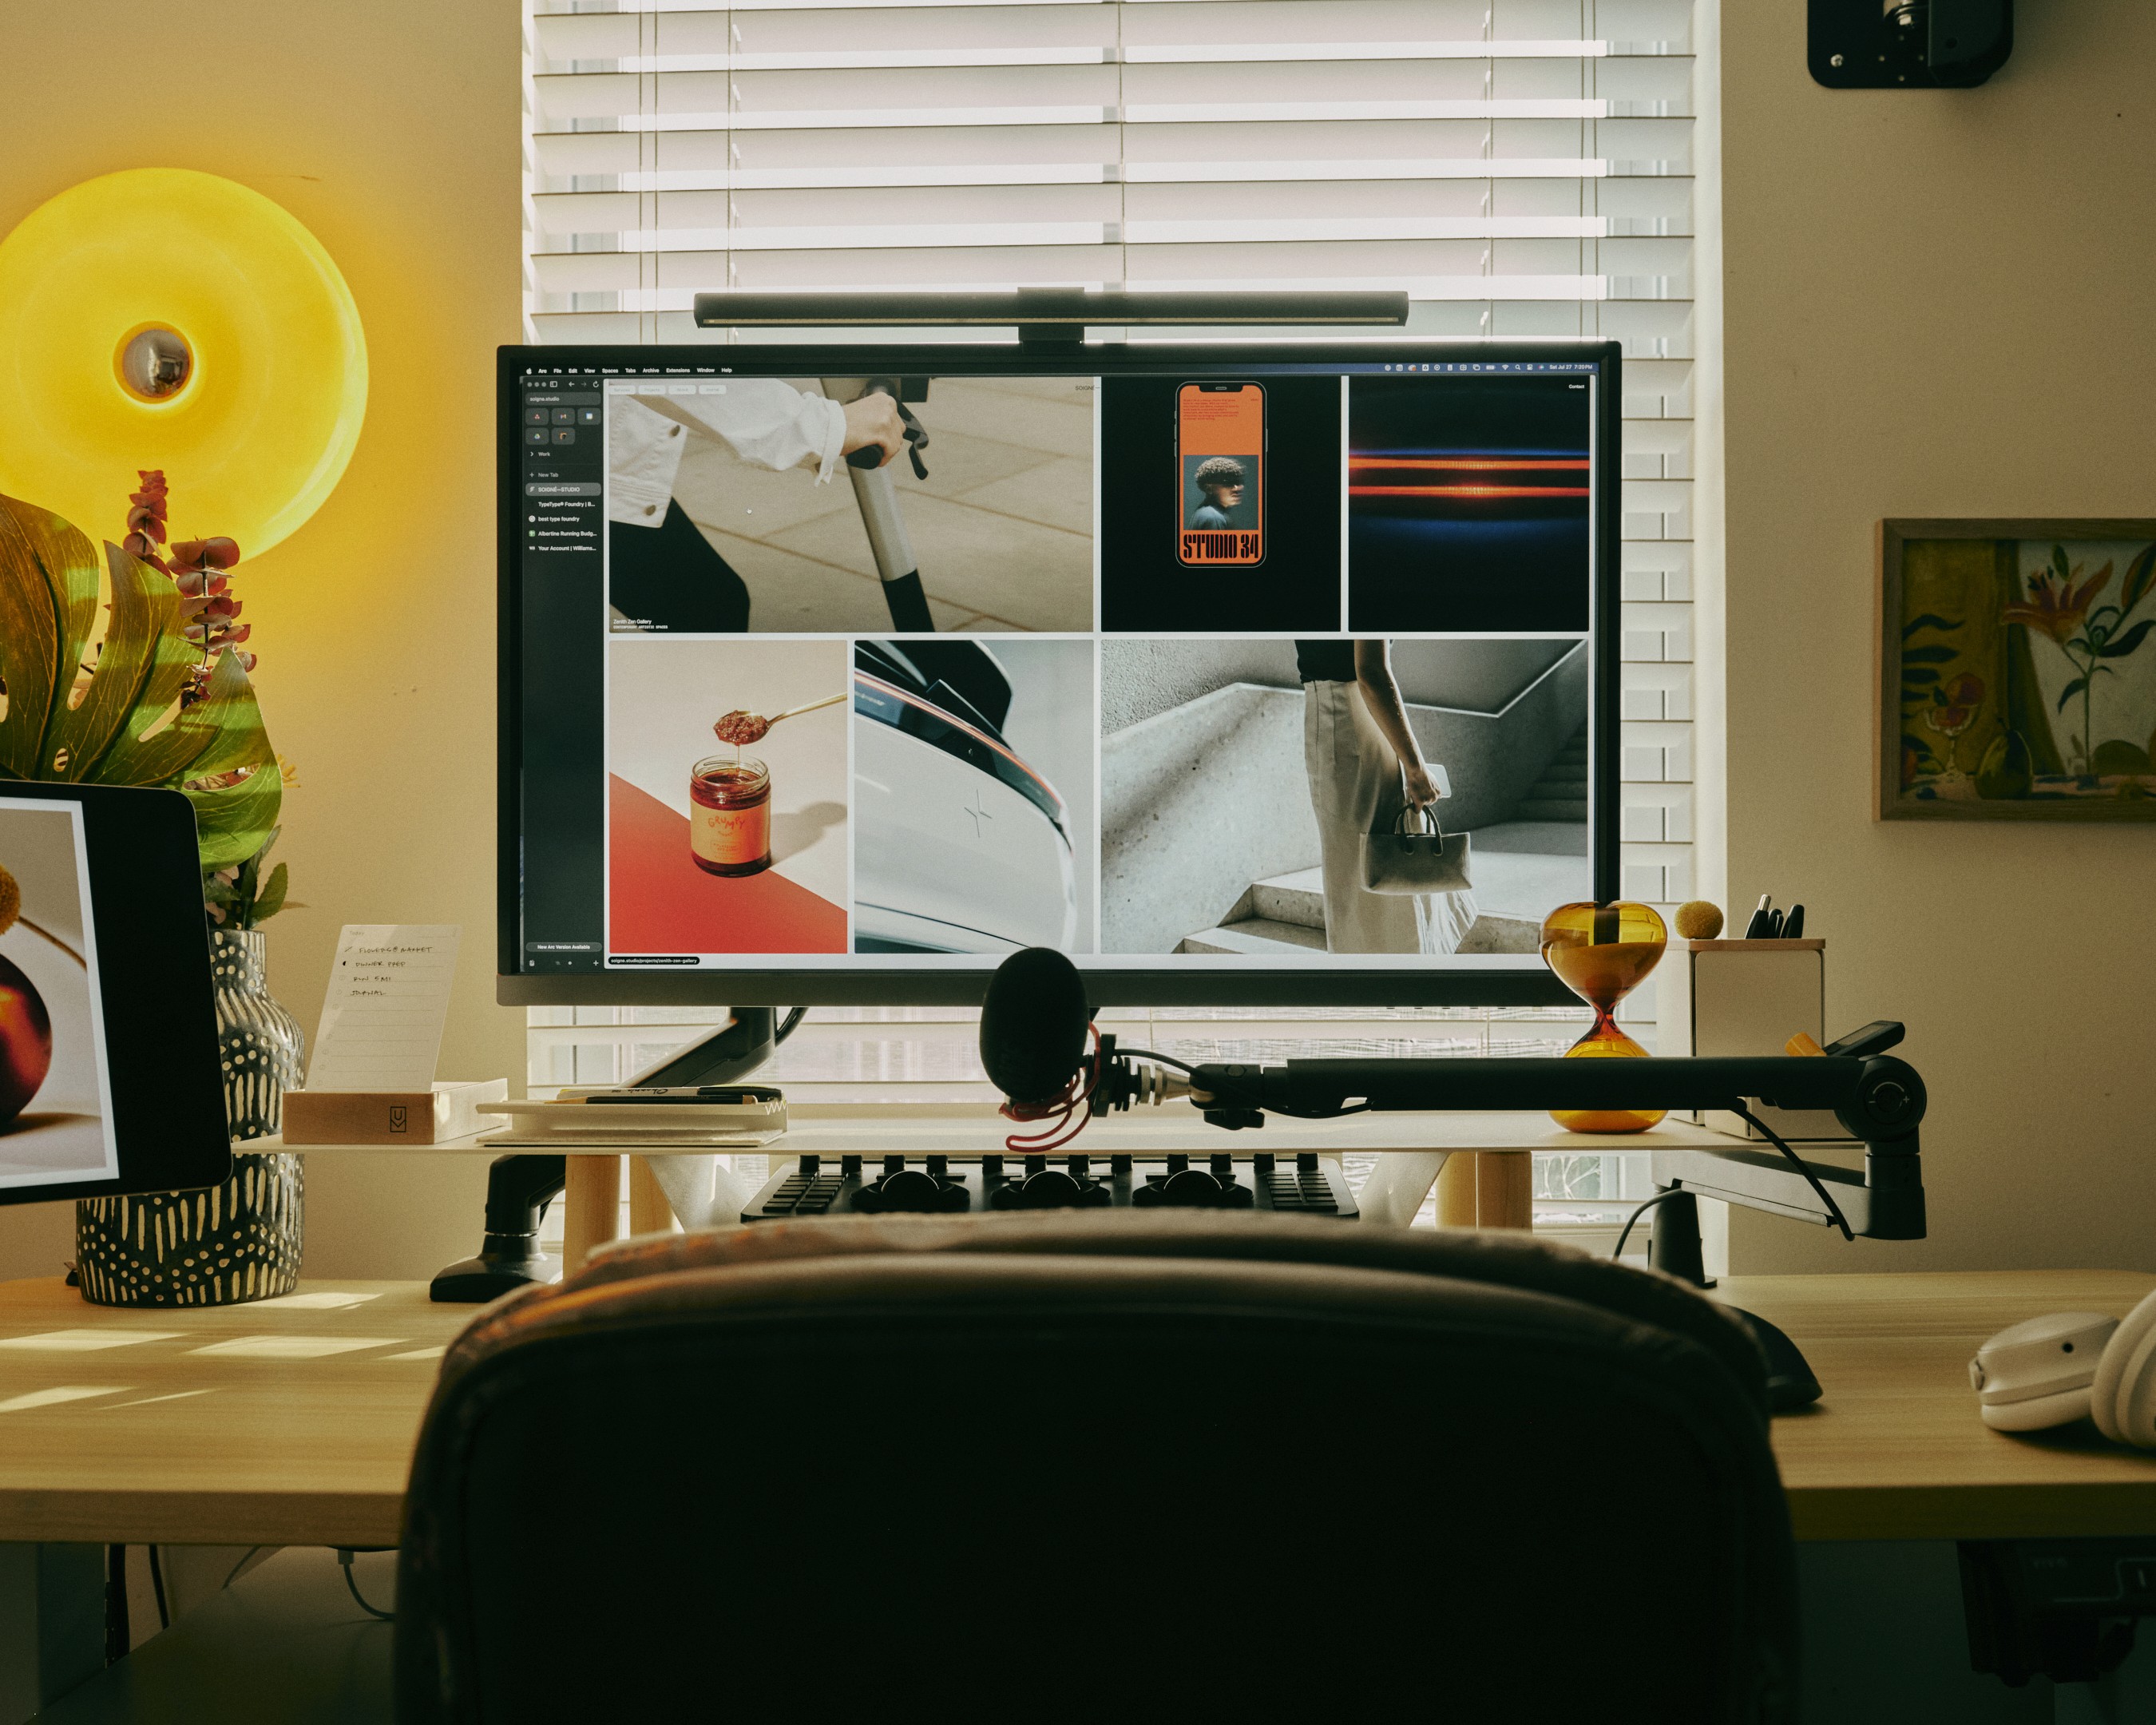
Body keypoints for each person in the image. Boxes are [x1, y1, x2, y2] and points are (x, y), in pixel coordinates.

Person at [607, 382, 904, 632]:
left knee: (711, 606)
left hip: (604, 467)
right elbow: (660, 364)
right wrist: (824, 426)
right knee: (711, 608)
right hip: (584, 482)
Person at [1296, 639, 1478, 954]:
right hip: (1356, 723)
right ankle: (1397, 982)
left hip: (1333, 722)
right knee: (1377, 874)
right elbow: (1371, 674)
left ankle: (1377, 981)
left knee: (1358, 877)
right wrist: (1416, 768)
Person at [1188, 456, 1246, 530]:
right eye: (1228, 483)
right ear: (1209, 488)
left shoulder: (1207, 513)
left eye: (1238, 482)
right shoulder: (1213, 517)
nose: (1237, 488)